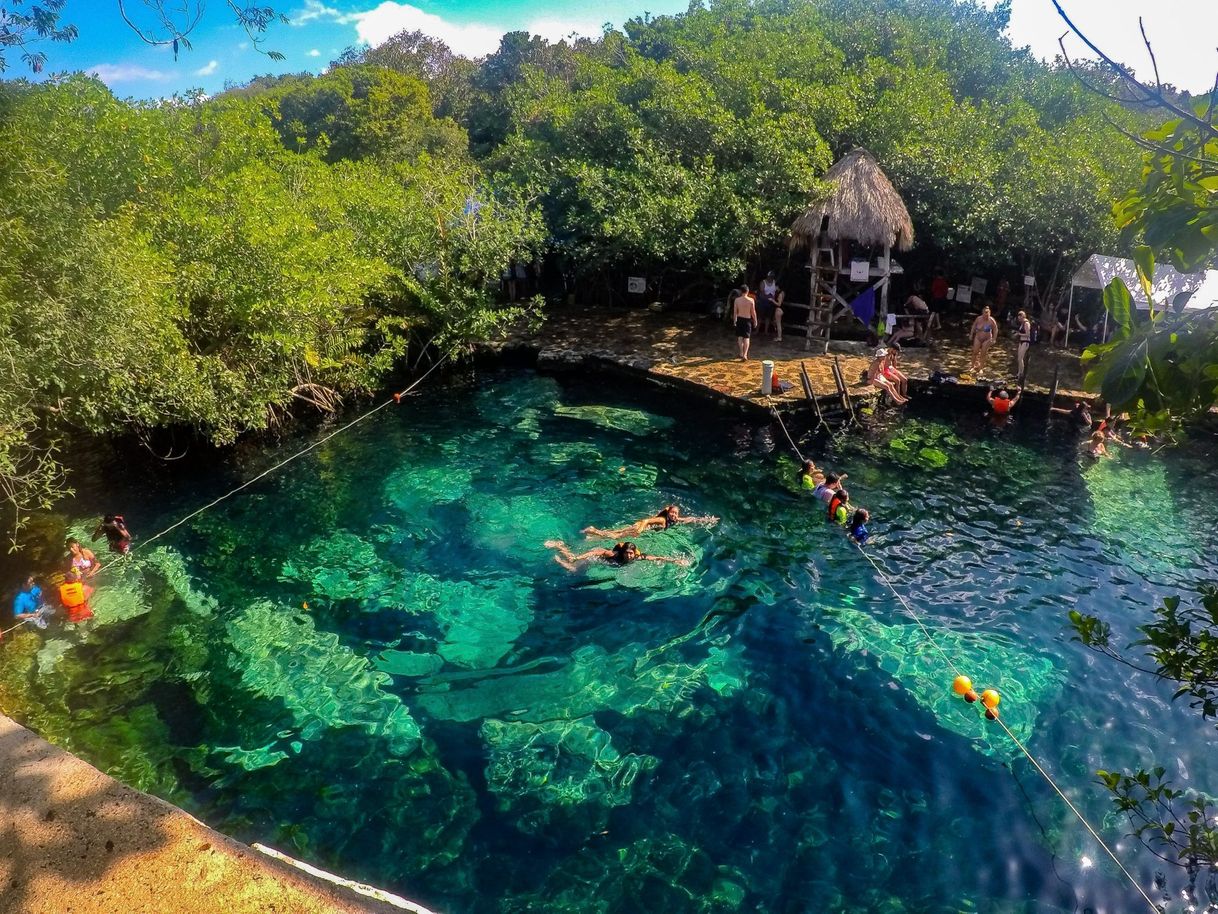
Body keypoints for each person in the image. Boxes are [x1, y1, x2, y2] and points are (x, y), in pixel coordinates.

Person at [544, 539, 689, 572]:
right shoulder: (614, 554)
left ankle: (560, 550)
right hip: (595, 556)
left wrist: (675, 561)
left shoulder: (637, 556)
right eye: (627, 553)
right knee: (573, 567)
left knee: (573, 568)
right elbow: (596, 552)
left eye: (631, 553)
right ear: (623, 552)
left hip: (599, 557)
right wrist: (579, 557)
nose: (630, 556)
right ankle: (559, 546)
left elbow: (656, 558)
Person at [582, 504, 719, 539]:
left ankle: (592, 534)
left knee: (615, 532)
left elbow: (691, 519)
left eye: (676, 513)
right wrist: (640, 529)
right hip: (640, 527)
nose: (674, 515)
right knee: (616, 536)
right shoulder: (662, 520)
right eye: (672, 512)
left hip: (640, 527)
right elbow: (647, 520)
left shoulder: (676, 519)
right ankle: (592, 531)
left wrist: (707, 520)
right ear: (668, 513)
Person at [969, 306, 999, 375]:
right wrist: (971, 334)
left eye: (988, 313)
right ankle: (972, 366)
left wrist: (994, 339)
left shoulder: (991, 320)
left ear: (990, 313)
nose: (986, 314)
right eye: (985, 312)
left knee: (983, 353)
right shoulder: (978, 319)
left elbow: (995, 329)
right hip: (978, 337)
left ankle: (981, 368)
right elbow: (973, 326)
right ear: (982, 313)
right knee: (975, 352)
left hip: (987, 338)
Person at [733, 285, 758, 360]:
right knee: (747, 338)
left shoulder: (737, 300)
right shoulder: (751, 300)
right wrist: (755, 320)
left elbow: (735, 312)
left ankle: (741, 352)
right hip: (747, 320)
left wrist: (735, 320)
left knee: (740, 337)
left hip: (740, 319)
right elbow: (753, 312)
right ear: (747, 291)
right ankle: (745, 354)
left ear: (741, 291)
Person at [1014, 310, 1032, 379]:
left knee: (1021, 358)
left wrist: (1019, 334)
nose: (1019, 320)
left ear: (1023, 316)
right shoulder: (1022, 323)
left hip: (1025, 341)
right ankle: (1019, 373)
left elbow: (1028, 334)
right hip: (1021, 341)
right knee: (1019, 358)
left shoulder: (1026, 323)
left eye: (1020, 318)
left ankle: (1022, 373)